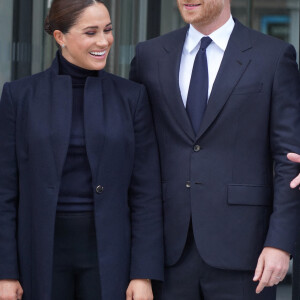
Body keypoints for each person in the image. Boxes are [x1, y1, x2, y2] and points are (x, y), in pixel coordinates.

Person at [130, 0, 300, 299]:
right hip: (166, 251)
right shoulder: (149, 55)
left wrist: (280, 242)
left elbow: (290, 159)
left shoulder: (273, 56)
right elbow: (136, 154)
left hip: (246, 251)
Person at [0, 0, 163, 299]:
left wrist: (143, 273)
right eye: (91, 32)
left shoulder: (132, 97)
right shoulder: (19, 96)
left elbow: (146, 192)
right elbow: (4, 191)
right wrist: (5, 272)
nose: (104, 41)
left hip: (111, 253)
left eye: (108, 30)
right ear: (60, 37)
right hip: (38, 252)